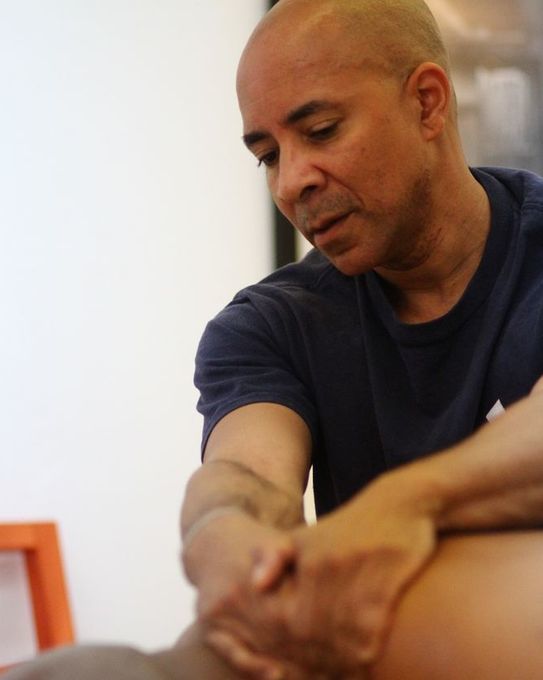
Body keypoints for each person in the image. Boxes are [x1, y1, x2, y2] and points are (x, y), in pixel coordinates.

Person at [7, 0, 543, 678]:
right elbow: (251, 472)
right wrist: (221, 530)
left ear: (427, 103)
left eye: (320, 131)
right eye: (266, 156)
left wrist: (404, 505)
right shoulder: (270, 323)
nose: (291, 183)